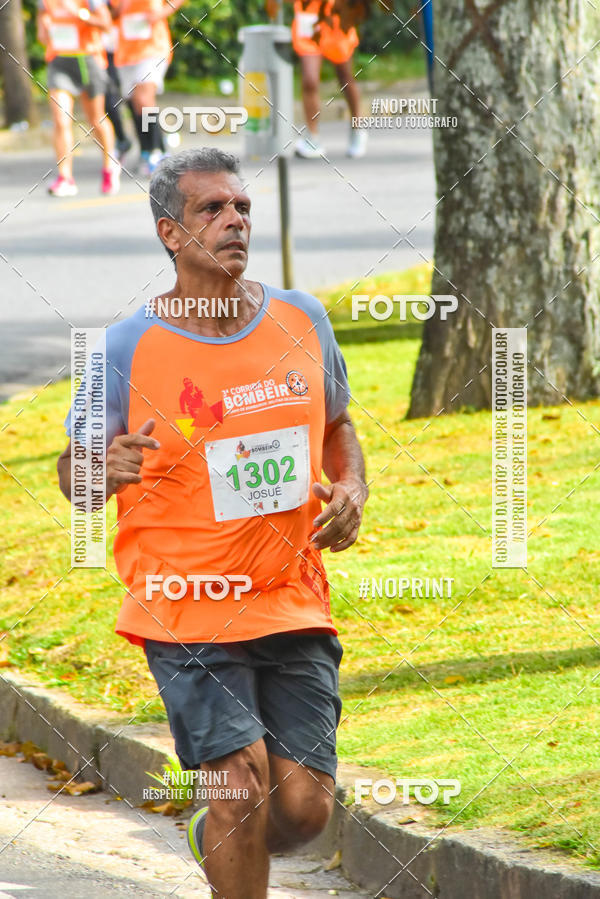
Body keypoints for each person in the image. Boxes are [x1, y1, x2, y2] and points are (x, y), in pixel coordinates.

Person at [57, 147, 368, 899]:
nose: (235, 221)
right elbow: (72, 475)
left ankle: (214, 834)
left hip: (288, 592)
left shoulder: (301, 318)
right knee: (237, 785)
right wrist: (99, 469)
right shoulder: (124, 346)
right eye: (213, 209)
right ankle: (227, 827)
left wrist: (353, 484)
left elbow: (337, 423)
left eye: (243, 208)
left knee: (303, 810)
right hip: (184, 601)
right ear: (170, 232)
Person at [37, 0, 121, 196]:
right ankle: (65, 177)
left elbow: (106, 24)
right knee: (60, 120)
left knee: (96, 120)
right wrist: (45, 29)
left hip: (88, 59)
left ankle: (110, 165)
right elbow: (42, 31)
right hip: (59, 61)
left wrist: (80, 14)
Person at [110, 0, 185, 175]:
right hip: (126, 52)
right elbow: (107, 14)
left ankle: (155, 152)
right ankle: (149, 151)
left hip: (153, 48)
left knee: (143, 100)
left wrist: (163, 12)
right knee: (134, 103)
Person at [290, 0, 368, 158]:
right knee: (310, 81)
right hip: (309, 18)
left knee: (345, 77)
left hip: (336, 17)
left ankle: (357, 129)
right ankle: (312, 138)